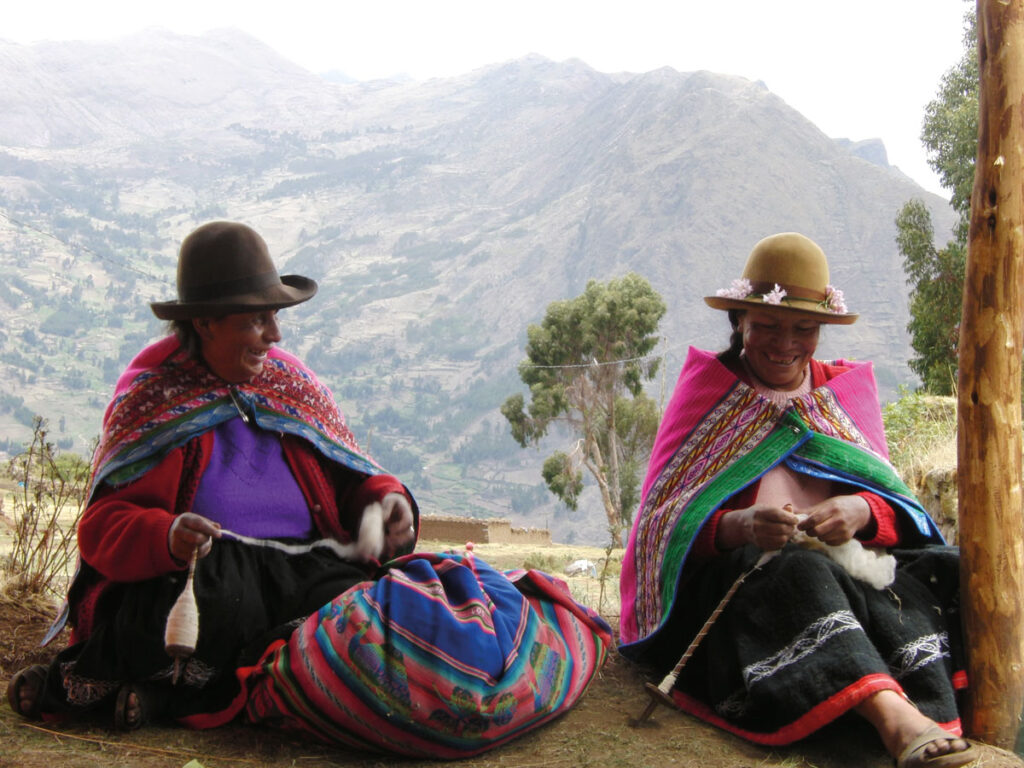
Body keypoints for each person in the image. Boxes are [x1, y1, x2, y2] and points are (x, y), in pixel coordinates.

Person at [6, 221, 417, 728]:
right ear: (205, 323)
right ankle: (105, 689)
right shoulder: (155, 400)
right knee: (195, 608)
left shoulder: (293, 385)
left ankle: (169, 697)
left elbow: (350, 478)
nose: (275, 335)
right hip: (205, 577)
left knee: (367, 607)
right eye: (256, 321)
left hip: (303, 569)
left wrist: (385, 499)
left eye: (274, 317)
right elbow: (103, 527)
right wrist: (167, 536)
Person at [619, 233, 978, 768]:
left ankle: (932, 699)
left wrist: (862, 512)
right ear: (739, 320)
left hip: (847, 571)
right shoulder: (710, 393)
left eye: (804, 329)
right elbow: (660, 527)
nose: (785, 343)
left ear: (821, 331)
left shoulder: (843, 394)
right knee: (797, 572)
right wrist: (741, 525)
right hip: (740, 591)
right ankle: (894, 718)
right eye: (767, 325)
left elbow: (899, 508)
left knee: (951, 568)